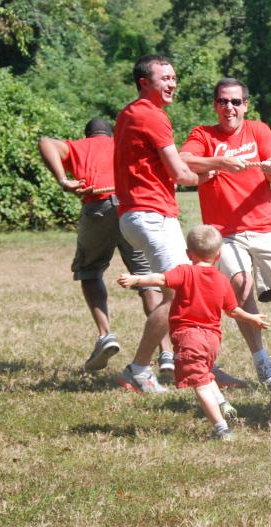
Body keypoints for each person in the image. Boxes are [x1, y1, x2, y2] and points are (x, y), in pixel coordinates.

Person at [180, 77, 271, 392]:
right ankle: (262, 363)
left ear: (245, 105)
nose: (230, 107)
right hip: (224, 232)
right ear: (215, 105)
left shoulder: (259, 130)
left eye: (236, 102)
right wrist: (220, 162)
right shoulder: (203, 135)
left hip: (265, 226)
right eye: (223, 101)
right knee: (240, 286)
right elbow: (182, 161)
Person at [38, 118, 171, 371]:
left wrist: (63, 181)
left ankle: (105, 335)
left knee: (90, 271)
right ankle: (166, 352)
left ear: (87, 134)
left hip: (97, 206)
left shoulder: (80, 146)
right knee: (147, 278)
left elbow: (45, 142)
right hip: (132, 208)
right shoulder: (123, 144)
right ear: (112, 133)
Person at [118, 225, 268, 440]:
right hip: (213, 340)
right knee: (205, 374)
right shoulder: (221, 280)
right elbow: (233, 310)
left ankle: (222, 428)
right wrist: (252, 318)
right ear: (219, 255)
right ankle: (223, 404)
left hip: (189, 338)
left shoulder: (185, 271)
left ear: (189, 254)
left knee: (200, 384)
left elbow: (160, 279)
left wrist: (136, 280)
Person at [114, 54, 200, 393]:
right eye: (164, 78)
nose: (172, 83)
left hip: (147, 213)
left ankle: (187, 361)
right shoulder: (152, 116)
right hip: (150, 213)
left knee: (179, 287)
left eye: (174, 77)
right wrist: (213, 175)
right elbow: (180, 173)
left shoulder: (130, 113)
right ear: (143, 83)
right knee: (179, 290)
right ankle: (138, 369)